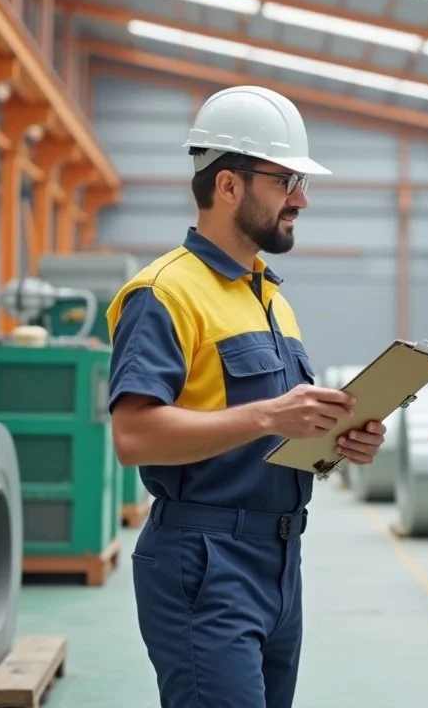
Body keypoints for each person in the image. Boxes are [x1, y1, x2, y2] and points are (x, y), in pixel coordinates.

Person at [105, 85, 387, 708]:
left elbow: (271, 434)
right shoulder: (163, 293)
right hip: (205, 560)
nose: (301, 200)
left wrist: (338, 439)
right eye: (286, 181)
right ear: (228, 185)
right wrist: (270, 413)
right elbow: (133, 437)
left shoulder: (270, 298)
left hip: (280, 556)